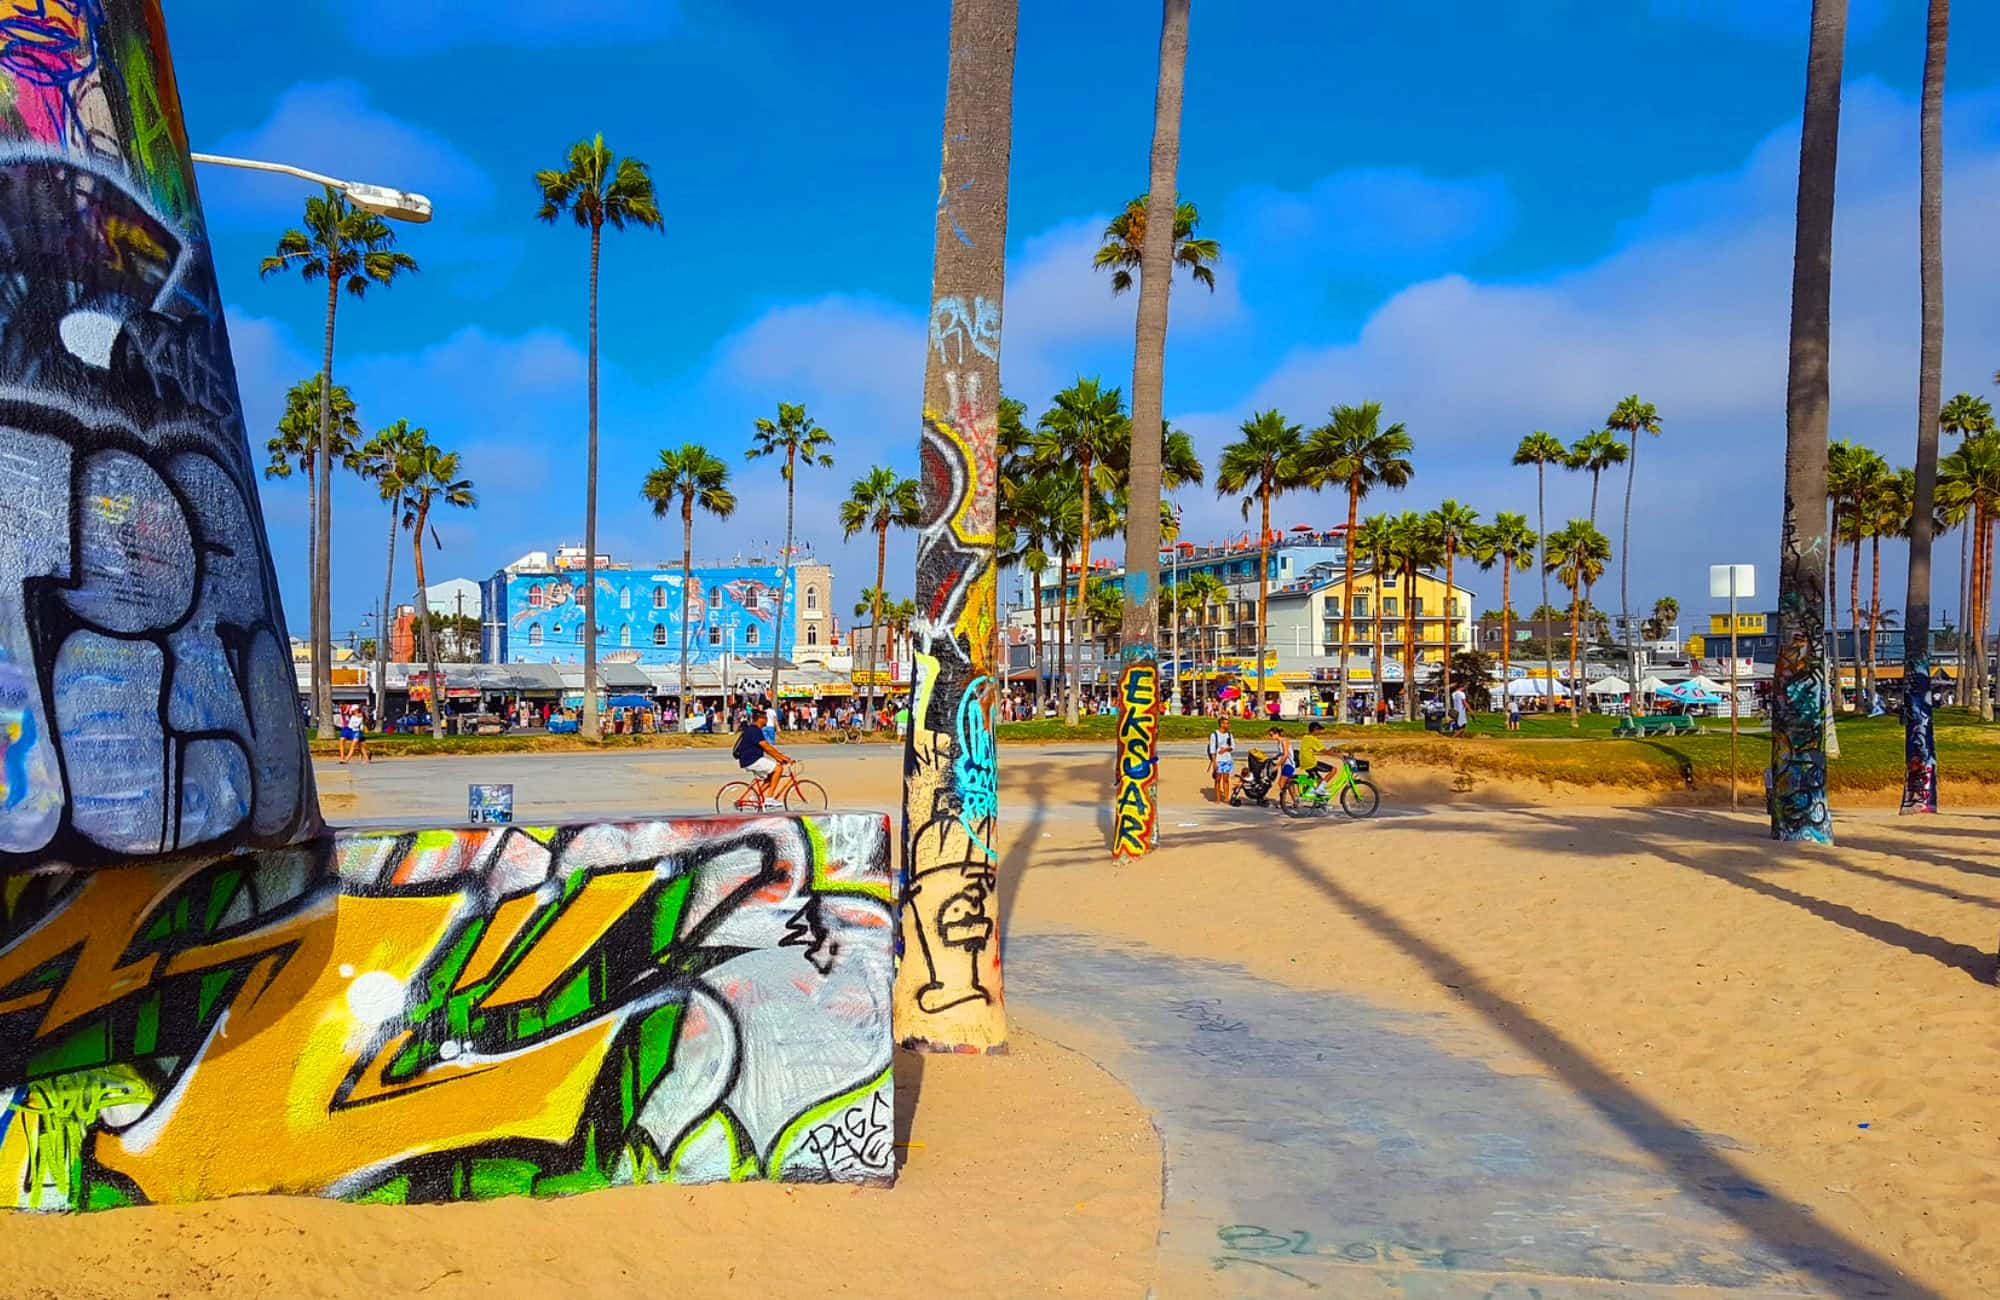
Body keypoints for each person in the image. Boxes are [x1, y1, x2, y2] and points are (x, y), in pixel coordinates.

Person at [734, 707, 792, 808]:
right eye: (765, 718)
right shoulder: (754, 730)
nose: (767, 720)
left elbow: (767, 748)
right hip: (752, 760)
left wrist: (779, 757)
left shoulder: (753, 729)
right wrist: (782, 757)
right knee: (778, 769)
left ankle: (755, 796)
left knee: (771, 776)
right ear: (760, 719)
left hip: (750, 760)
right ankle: (769, 799)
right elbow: (767, 747)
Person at [1206, 716, 1235, 804]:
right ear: (1221, 724)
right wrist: (1214, 762)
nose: (1228, 725)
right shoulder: (1214, 735)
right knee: (1218, 779)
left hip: (1227, 759)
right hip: (1218, 760)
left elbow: (1233, 747)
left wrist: (1226, 749)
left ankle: (1226, 797)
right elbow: (1212, 749)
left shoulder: (1229, 734)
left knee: (1226, 779)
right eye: (1226, 723)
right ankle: (1218, 798)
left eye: (1228, 723)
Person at [1269, 727, 1298, 809]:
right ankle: (1295, 801)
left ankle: (1283, 801)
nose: (1271, 737)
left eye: (1271, 735)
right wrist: (1273, 758)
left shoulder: (1284, 741)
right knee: (1289, 784)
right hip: (1285, 765)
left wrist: (1277, 765)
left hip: (1289, 764)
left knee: (1281, 783)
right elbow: (1280, 753)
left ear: (1276, 734)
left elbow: (1285, 755)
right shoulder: (1279, 742)